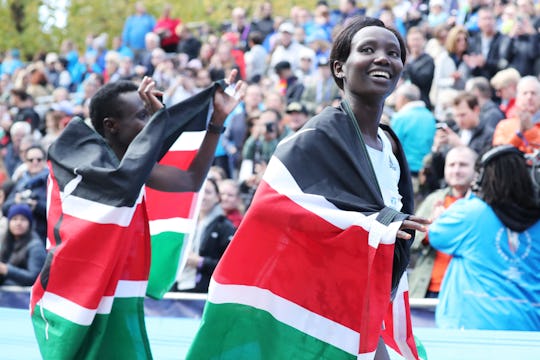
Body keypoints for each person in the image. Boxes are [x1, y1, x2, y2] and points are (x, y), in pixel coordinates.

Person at [187, 17, 429, 360]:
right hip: (322, 305)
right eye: (368, 49)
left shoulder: (390, 144)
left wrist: (387, 229)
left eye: (393, 52)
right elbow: (273, 208)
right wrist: (377, 225)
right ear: (340, 68)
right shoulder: (315, 138)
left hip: (369, 296)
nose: (383, 58)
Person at [30, 72, 246, 358]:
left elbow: (190, 180)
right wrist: (162, 121)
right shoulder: (75, 155)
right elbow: (122, 183)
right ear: (111, 126)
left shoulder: (131, 166)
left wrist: (216, 121)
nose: (151, 121)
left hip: (116, 294)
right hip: (74, 299)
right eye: (142, 115)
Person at [429, 145, 540, 330]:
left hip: (472, 328)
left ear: (481, 178)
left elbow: (436, 234)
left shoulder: (471, 213)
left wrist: (445, 214)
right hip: (530, 327)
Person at [409, 146, 478, 298]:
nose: (456, 170)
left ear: (476, 169)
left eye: (463, 165)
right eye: (452, 165)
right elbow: (410, 242)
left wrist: (446, 226)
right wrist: (431, 229)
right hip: (427, 287)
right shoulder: (435, 199)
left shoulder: (484, 203)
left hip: (466, 291)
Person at [177, 178, 236, 293]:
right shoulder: (186, 222)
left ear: (217, 198)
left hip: (206, 291)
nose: (203, 196)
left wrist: (200, 262)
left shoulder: (224, 227)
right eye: (200, 191)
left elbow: (230, 266)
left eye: (208, 192)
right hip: (180, 286)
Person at [391, 82, 436, 199]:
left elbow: (390, 147)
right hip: (426, 174)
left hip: (405, 174)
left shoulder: (400, 117)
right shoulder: (430, 116)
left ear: (403, 99)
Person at [3, 145, 48, 243]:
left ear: (45, 161)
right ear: (26, 162)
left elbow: (55, 213)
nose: (35, 162)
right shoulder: (20, 182)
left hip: (41, 236)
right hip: (18, 239)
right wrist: (16, 201)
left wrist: (36, 205)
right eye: (31, 160)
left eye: (39, 159)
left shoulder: (51, 183)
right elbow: (5, 208)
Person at [0, 204, 46, 287]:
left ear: (29, 223)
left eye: (23, 219)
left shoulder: (36, 246)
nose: (18, 223)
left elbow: (35, 278)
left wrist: (6, 269)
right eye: (14, 219)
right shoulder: (6, 242)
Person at [492, 76, 540, 153]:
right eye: (525, 93)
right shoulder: (503, 125)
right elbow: (499, 154)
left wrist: (531, 130)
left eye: (533, 93)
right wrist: (519, 133)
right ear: (517, 98)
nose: (529, 97)